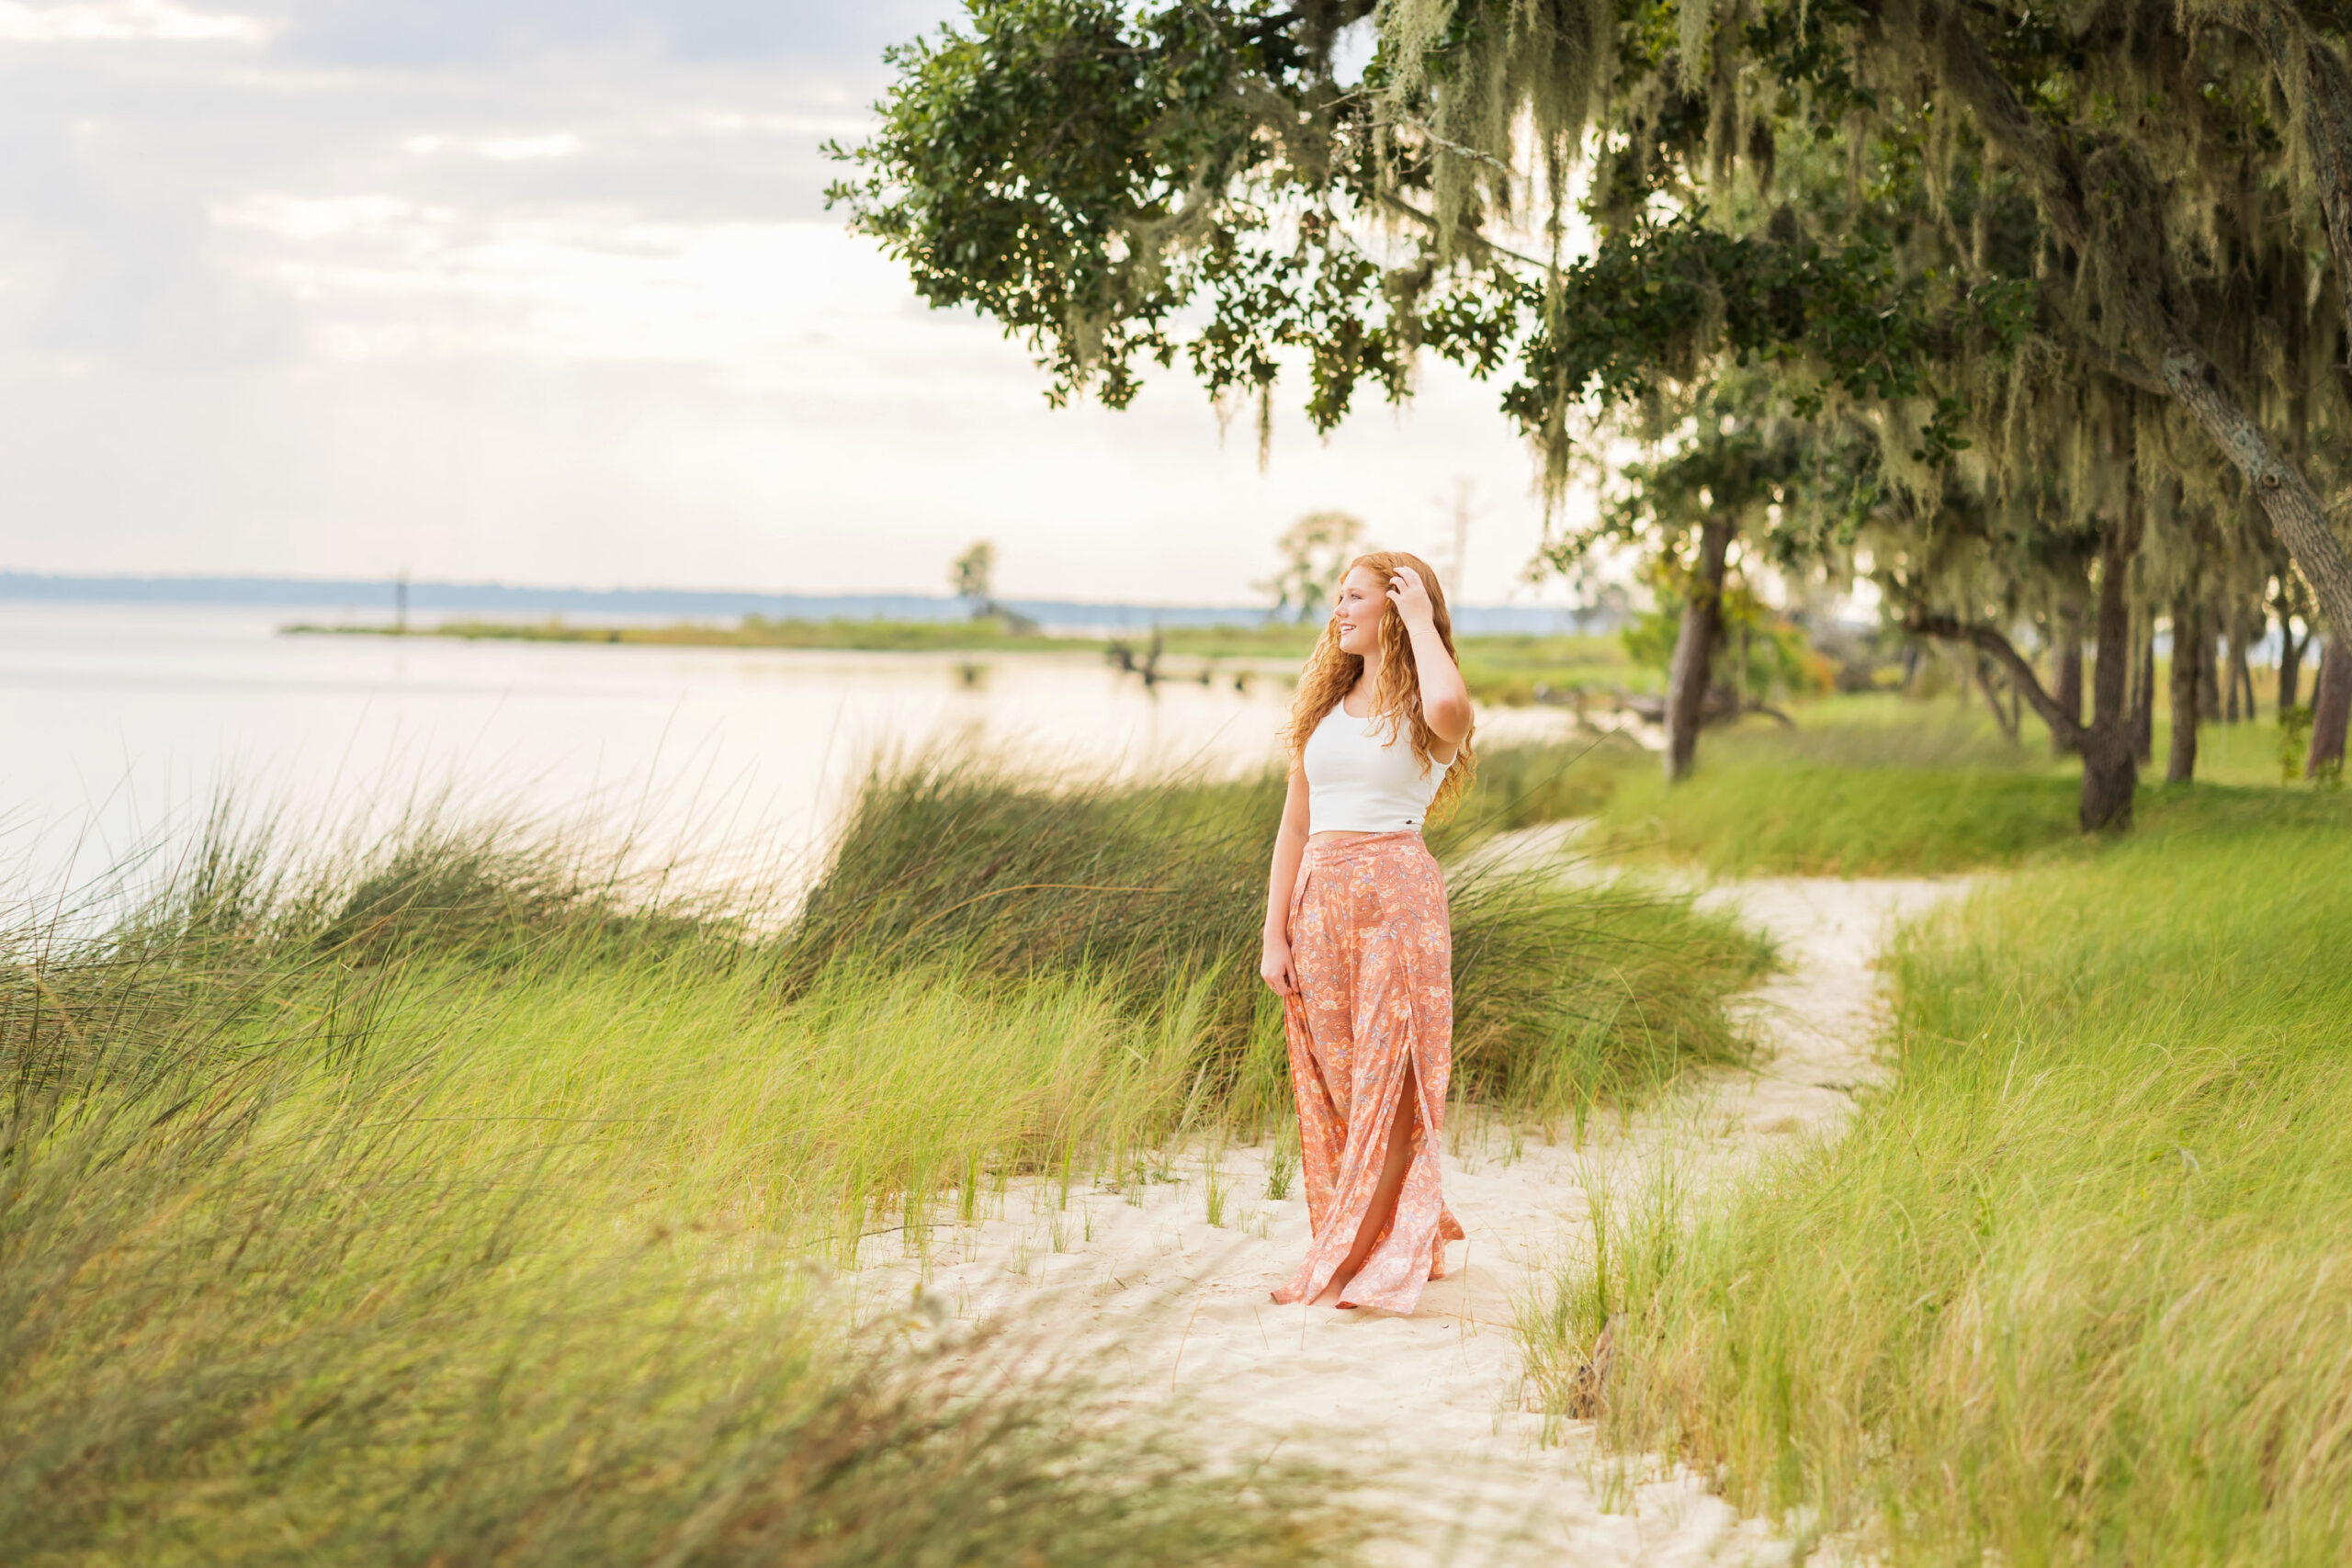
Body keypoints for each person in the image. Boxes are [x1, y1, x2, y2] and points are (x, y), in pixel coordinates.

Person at [1260, 552, 1475, 1311]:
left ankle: (1349, 1256)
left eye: (1353, 596)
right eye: (1338, 595)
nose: (1338, 608)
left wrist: (1420, 618)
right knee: (1344, 1083)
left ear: (1394, 608)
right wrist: (1272, 934)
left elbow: (1456, 709)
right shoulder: (1324, 706)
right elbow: (1293, 825)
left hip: (1397, 903)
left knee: (1391, 1082)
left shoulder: (1427, 713)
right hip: (1318, 903)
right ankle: (1384, 1229)